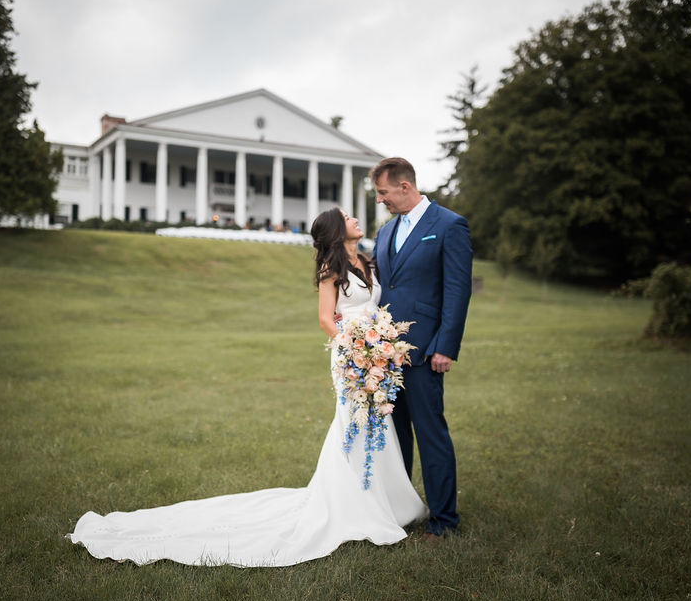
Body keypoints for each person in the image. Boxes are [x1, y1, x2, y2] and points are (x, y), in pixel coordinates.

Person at [67, 208, 427, 567]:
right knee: (354, 423)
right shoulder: (330, 269)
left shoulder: (368, 261)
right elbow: (324, 318)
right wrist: (357, 349)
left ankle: (384, 500)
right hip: (351, 355)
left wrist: (379, 345)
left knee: (377, 420)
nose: (354, 219)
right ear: (336, 230)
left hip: (375, 353)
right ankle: (353, 505)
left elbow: (375, 306)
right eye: (347, 217)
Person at [371, 157, 473, 539]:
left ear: (405, 187)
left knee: (431, 435)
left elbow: (457, 291)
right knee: (394, 439)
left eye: (383, 192)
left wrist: (445, 346)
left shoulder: (448, 225)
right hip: (383, 357)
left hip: (427, 351)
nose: (380, 200)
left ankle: (444, 521)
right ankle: (401, 510)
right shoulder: (384, 233)